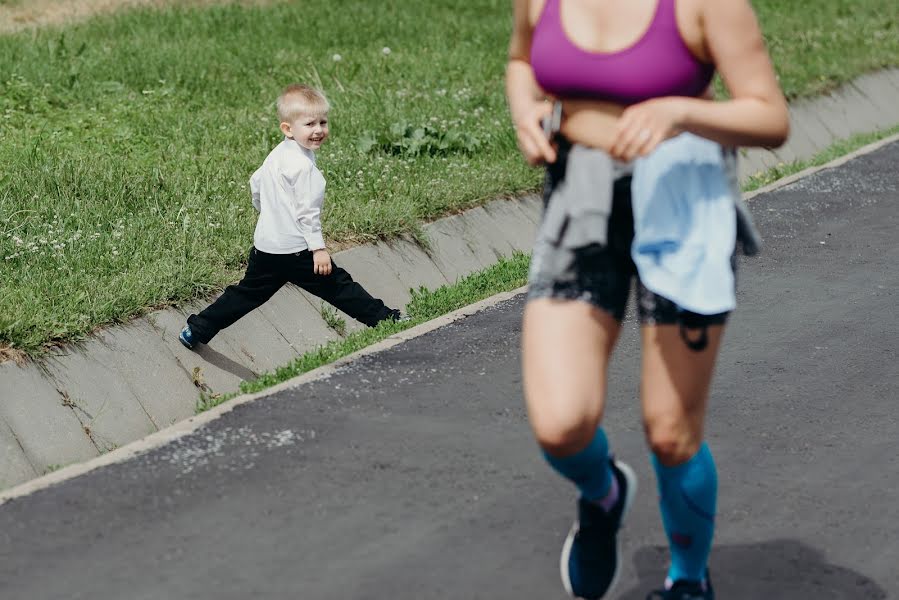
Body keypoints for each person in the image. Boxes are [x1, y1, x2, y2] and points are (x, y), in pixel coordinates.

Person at [506, 0, 789, 598]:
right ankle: (603, 494)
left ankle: (688, 582)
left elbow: (771, 117)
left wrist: (679, 110)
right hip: (581, 191)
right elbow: (521, 60)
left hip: (682, 194)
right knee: (560, 424)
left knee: (671, 431)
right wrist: (526, 109)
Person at [180, 84, 404, 350]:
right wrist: (318, 248)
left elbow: (256, 184)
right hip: (298, 252)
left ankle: (196, 329)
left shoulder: (278, 154)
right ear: (288, 128)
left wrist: (268, 213)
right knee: (340, 287)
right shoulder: (303, 167)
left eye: (323, 122)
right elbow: (307, 213)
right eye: (309, 124)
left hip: (267, 247)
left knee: (245, 295)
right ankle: (386, 320)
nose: (318, 130)